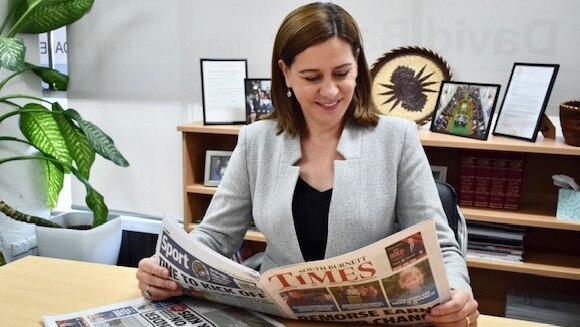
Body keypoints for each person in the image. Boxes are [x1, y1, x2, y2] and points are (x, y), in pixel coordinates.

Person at [136, 2, 479, 326]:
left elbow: (442, 247)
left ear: (357, 65)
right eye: (312, 77)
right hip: (278, 317)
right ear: (285, 73)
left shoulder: (397, 139)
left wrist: (457, 292)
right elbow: (215, 237)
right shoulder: (256, 141)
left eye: (342, 73)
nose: (330, 91)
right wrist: (163, 271)